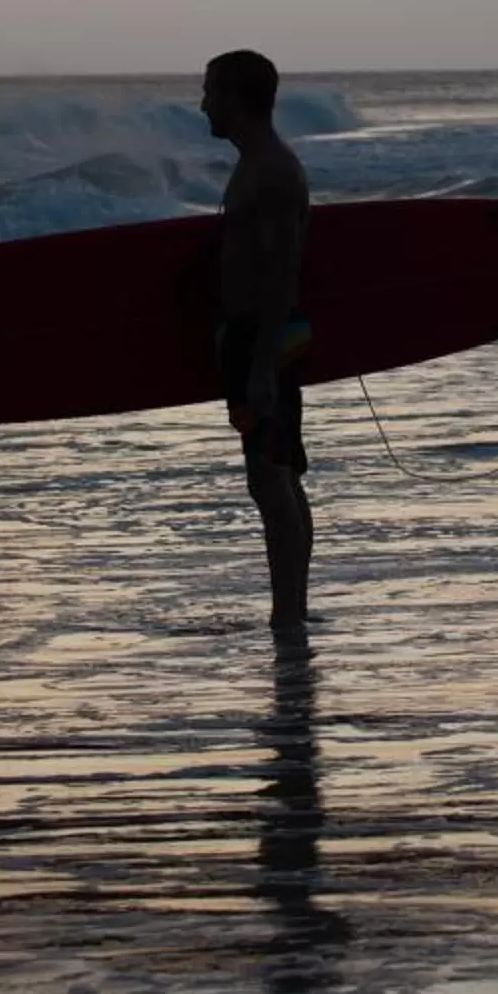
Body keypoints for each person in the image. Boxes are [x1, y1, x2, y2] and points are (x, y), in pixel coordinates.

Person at [201, 50, 313, 630]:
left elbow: (282, 271)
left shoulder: (272, 170)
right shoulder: (255, 164)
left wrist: (264, 363)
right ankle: (292, 612)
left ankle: (287, 618)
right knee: (279, 473)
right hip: (255, 336)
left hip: (265, 336)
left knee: (269, 476)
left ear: (235, 97)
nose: (203, 105)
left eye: (210, 92)